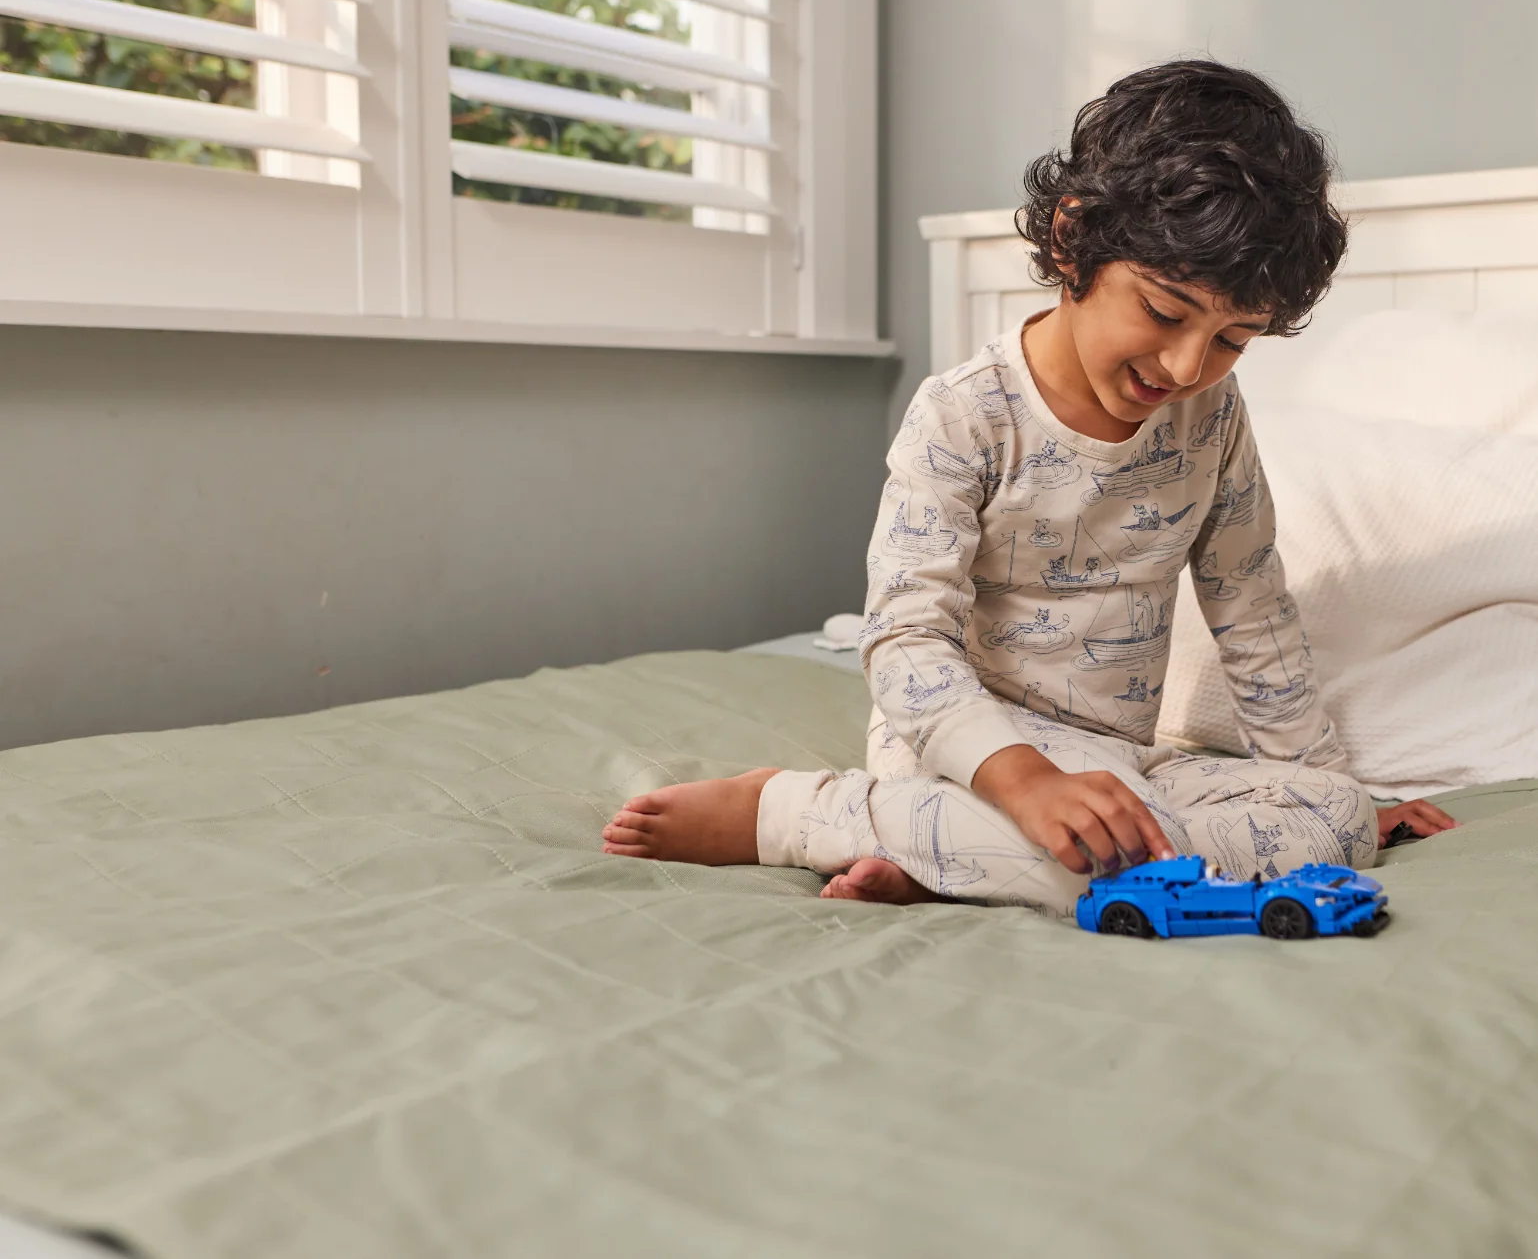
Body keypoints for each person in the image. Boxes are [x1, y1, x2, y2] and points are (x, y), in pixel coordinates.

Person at [601, 59, 1457, 911]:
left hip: (1118, 760)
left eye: (1234, 338)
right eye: (1163, 312)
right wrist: (1021, 781)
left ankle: (947, 856)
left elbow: (1252, 608)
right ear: (1071, 236)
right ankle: (797, 813)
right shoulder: (963, 415)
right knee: (1087, 842)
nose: (1189, 365)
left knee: (1337, 822)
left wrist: (1319, 787)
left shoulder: (1213, 416)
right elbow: (904, 641)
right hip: (966, 748)